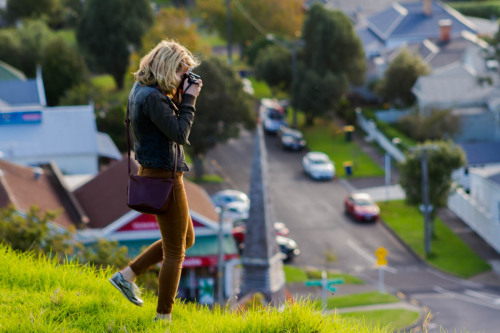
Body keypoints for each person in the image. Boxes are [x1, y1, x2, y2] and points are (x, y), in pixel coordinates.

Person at [109, 40, 202, 323]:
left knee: (186, 239)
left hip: (159, 170)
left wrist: (180, 91)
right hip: (165, 176)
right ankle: (163, 320)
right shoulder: (153, 98)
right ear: (165, 67)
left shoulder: (142, 89)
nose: (182, 79)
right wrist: (190, 99)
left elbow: (162, 125)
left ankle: (127, 275)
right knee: (176, 252)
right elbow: (179, 133)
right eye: (180, 72)